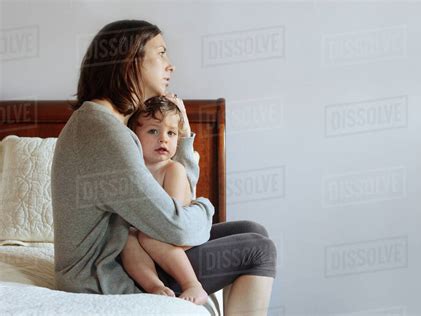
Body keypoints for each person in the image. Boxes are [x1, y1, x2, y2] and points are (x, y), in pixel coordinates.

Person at [51, 19, 276, 315]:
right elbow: (177, 227)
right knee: (258, 249)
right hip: (106, 275)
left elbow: (176, 203)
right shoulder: (105, 134)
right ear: (130, 60)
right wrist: (204, 208)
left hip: (122, 254)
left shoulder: (105, 123)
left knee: (252, 229)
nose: (170, 66)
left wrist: (182, 139)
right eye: (161, 53)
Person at [121, 96, 207, 304]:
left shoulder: (173, 169)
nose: (163, 139)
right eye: (153, 131)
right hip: (145, 235)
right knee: (126, 239)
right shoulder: (130, 171)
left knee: (147, 236)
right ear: (133, 136)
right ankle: (154, 286)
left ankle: (192, 284)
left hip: (174, 236)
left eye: (171, 133)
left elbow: (171, 219)